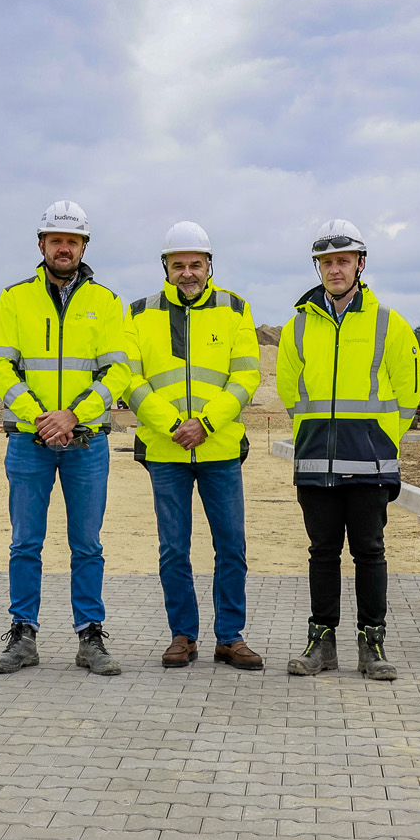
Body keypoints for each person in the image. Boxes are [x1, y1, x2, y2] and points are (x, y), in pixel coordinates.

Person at [0, 200, 133, 676]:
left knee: (86, 544)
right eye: (55, 240)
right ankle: (23, 635)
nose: (63, 248)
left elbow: (119, 371)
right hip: (29, 442)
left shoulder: (106, 303)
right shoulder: (14, 298)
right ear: (42, 245)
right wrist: (41, 417)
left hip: (86, 444)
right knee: (26, 542)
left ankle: (90, 636)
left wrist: (73, 416)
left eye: (72, 241)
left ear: (83, 246)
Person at [276, 219, 420, 680]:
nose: (334, 269)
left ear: (360, 264)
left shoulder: (389, 324)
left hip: (370, 464)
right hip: (317, 463)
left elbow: (409, 392)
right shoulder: (297, 326)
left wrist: (381, 442)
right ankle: (321, 644)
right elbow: (290, 392)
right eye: (326, 262)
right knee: (322, 554)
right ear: (317, 268)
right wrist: (314, 438)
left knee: (369, 552)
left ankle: (372, 644)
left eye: (343, 261)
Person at [123, 222, 264, 670]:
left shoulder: (235, 308)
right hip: (166, 453)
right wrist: (173, 426)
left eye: (195, 264)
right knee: (173, 549)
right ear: (165, 267)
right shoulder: (139, 312)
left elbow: (246, 376)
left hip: (219, 449)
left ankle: (230, 637)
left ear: (209, 265)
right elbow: (130, 378)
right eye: (178, 264)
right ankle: (182, 635)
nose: (187, 272)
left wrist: (205, 423)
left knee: (232, 546)